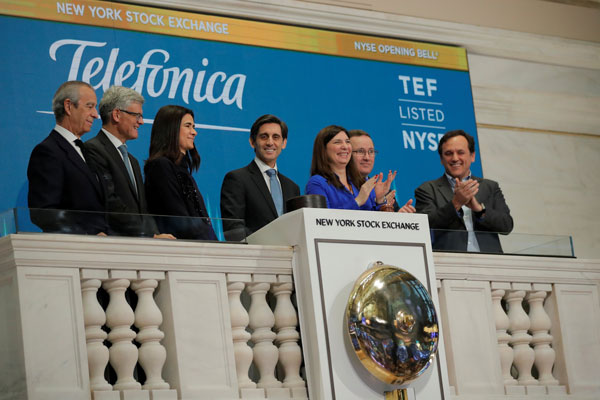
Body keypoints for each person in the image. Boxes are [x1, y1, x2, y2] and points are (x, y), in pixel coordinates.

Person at [85, 86, 174, 239]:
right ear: (117, 115)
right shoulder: (93, 150)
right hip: (113, 245)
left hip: (138, 245)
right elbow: (110, 202)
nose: (141, 122)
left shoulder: (132, 161)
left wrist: (155, 236)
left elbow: (143, 209)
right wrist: (149, 235)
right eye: (137, 115)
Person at [27, 80, 106, 234]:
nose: (96, 115)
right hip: (73, 250)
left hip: (103, 248)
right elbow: (44, 212)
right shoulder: (47, 152)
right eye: (89, 106)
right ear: (68, 106)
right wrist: (88, 234)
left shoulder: (87, 151)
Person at [414, 129, 513, 253]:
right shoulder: (427, 189)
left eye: (460, 152)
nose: (455, 158)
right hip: (449, 262)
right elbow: (425, 226)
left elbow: (507, 226)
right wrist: (456, 203)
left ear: (472, 156)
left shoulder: (490, 187)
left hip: (490, 262)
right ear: (441, 159)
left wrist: (479, 210)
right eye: (448, 153)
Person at [220, 114, 300, 240]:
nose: (270, 142)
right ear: (252, 142)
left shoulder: (292, 187)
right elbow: (233, 229)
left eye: (276, 137)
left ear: (283, 143)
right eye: (264, 137)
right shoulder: (237, 179)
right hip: (253, 256)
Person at [144, 105, 216, 240]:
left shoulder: (183, 170)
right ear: (171, 129)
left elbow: (202, 219)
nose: (194, 132)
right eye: (188, 126)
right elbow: (178, 218)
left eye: (193, 126)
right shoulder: (160, 166)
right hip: (179, 251)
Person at [305, 125, 386, 210]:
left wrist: (380, 201)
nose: (345, 146)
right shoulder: (317, 183)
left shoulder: (362, 183)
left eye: (347, 142)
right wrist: (357, 201)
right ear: (324, 149)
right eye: (337, 142)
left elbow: (375, 221)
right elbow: (321, 220)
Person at [348, 129, 416, 213]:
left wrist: (399, 218)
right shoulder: (337, 188)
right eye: (360, 151)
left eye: (371, 151)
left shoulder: (385, 192)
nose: (367, 157)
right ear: (347, 154)